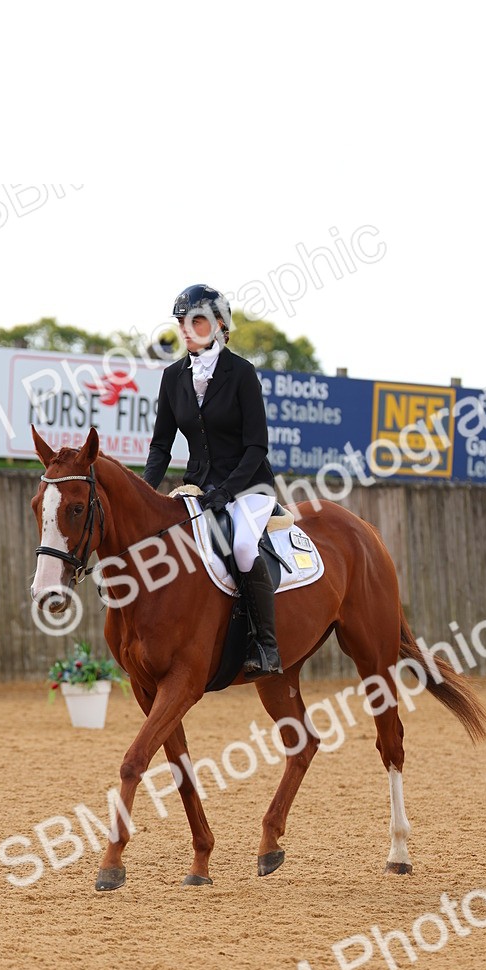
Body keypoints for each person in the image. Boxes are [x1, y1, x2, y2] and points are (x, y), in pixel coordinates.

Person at [142, 284, 282, 679]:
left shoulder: (241, 373)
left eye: (196, 320)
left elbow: (257, 446)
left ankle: (266, 646)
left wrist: (226, 491)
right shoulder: (173, 377)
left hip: (250, 486)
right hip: (199, 488)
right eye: (181, 321)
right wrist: (143, 493)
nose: (186, 328)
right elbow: (160, 446)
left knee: (239, 545)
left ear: (219, 325)